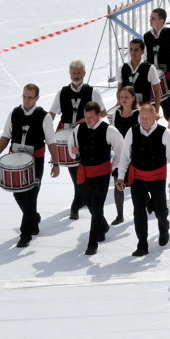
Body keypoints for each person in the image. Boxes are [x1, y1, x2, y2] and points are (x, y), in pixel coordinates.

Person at [0, 84, 61, 248]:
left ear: (37, 98)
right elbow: (6, 136)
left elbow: (51, 142)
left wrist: (56, 164)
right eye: (24, 96)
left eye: (30, 97)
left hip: (35, 161)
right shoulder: (14, 113)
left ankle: (25, 234)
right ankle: (33, 218)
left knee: (31, 196)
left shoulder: (45, 117)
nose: (26, 100)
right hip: (15, 160)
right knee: (18, 194)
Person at [114, 103, 170, 257]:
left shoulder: (165, 133)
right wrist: (121, 177)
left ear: (155, 117)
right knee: (139, 212)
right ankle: (142, 243)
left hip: (157, 177)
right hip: (138, 178)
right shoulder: (132, 131)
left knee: (160, 211)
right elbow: (124, 157)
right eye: (141, 117)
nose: (144, 120)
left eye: (148, 117)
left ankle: (164, 226)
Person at [48, 60, 107, 220]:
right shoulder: (63, 92)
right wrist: (45, 128)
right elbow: (51, 113)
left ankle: (77, 204)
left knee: (81, 172)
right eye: (73, 73)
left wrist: (86, 120)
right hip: (66, 135)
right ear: (70, 74)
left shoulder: (92, 91)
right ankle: (80, 202)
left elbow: (103, 113)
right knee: (75, 172)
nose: (76, 76)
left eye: (78, 73)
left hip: (85, 135)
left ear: (84, 74)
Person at [69, 101, 124, 255]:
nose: (87, 120)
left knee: (98, 206)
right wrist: (74, 152)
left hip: (101, 173)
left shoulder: (109, 130)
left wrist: (114, 166)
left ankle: (92, 243)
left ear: (99, 115)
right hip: (84, 173)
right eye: (86, 117)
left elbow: (122, 148)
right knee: (90, 204)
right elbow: (72, 152)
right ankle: (104, 226)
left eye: (90, 117)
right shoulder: (79, 129)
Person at [144, 7, 170, 119]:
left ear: (161, 21)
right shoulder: (147, 37)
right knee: (150, 112)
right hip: (152, 81)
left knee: (169, 113)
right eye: (150, 18)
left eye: (153, 18)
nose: (150, 20)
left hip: (168, 80)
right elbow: (145, 59)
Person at [109, 86, 140, 226]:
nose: (124, 100)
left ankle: (141, 209)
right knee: (118, 184)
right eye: (121, 97)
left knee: (137, 186)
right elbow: (113, 133)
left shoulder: (138, 114)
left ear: (133, 98)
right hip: (120, 154)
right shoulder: (116, 113)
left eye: (127, 97)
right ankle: (120, 214)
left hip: (135, 154)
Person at [120, 38, 163, 106]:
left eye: (136, 49)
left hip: (144, 111)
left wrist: (156, 112)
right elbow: (119, 90)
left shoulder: (150, 68)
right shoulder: (122, 68)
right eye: (131, 49)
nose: (133, 52)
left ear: (142, 51)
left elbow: (157, 92)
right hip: (127, 109)